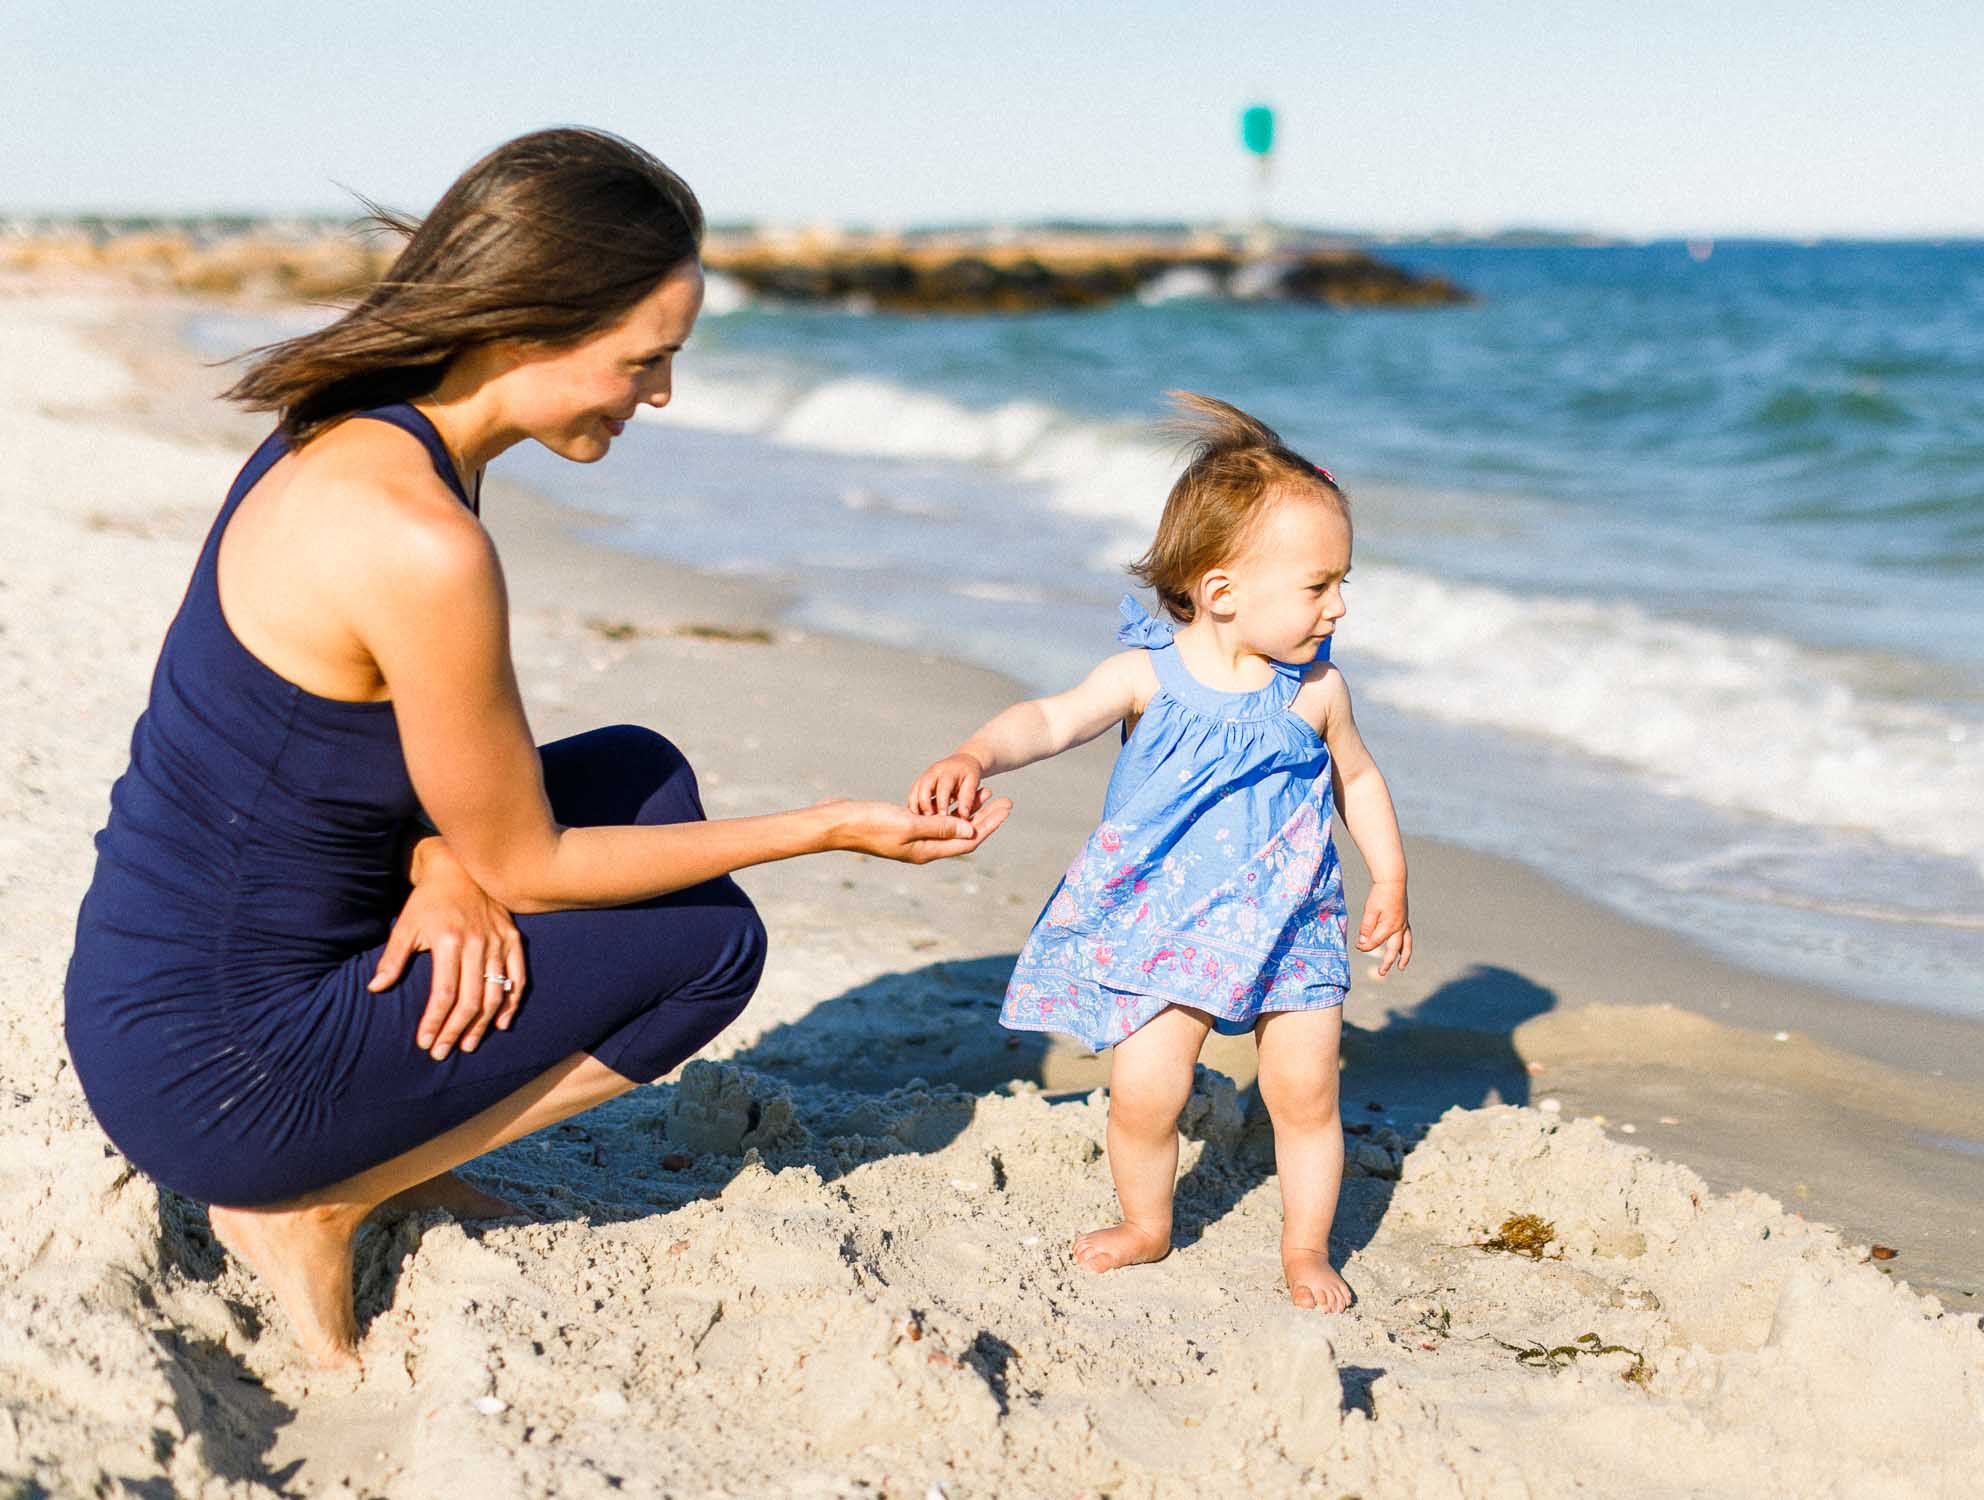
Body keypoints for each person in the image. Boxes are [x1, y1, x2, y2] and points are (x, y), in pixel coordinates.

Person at [63, 127, 1009, 1369]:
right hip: (220, 1079)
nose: (658, 395)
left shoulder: (360, 430)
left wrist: (441, 869)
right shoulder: (424, 540)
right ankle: (325, 1193)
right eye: (644, 360)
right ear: (529, 327)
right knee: (712, 944)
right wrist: (829, 827)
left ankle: (359, 1139)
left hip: (145, 992)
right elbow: (536, 871)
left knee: (638, 769)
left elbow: (310, 756)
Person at [910, 393, 1411, 1313]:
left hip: (1292, 919)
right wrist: (974, 752)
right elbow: (1051, 719)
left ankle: (1306, 1247)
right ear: (1221, 592)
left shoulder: (1317, 691)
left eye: (1343, 582)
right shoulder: (1146, 675)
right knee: (1146, 1093)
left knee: (1304, 1094)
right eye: (1318, 586)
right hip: (1166, 919)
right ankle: (1147, 1223)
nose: (1339, 605)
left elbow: (1361, 782)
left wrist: (1391, 874)